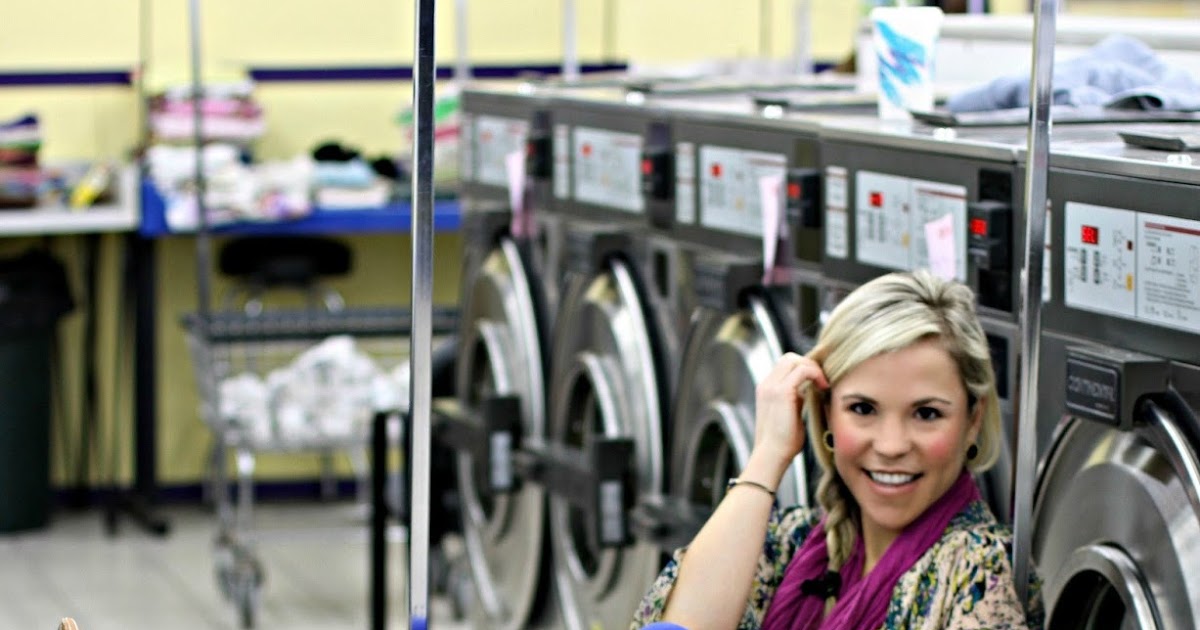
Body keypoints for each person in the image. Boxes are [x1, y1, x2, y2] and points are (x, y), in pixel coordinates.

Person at [631, 270, 1042, 630]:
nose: (892, 445)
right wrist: (768, 454)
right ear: (826, 414)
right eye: (863, 409)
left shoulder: (977, 570)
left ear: (973, 420)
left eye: (927, 414)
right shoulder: (789, 544)